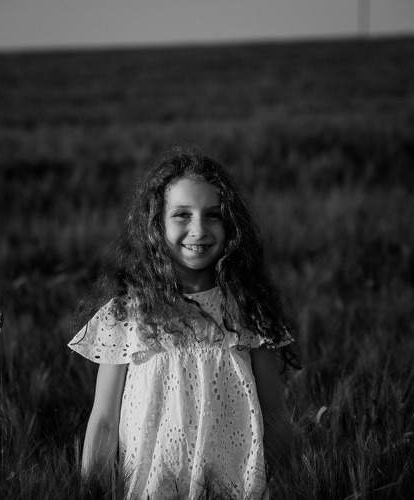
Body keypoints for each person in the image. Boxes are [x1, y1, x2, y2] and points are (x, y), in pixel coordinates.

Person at [67, 147, 301, 499]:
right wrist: (91, 493)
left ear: (231, 224)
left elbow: (276, 418)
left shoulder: (248, 311)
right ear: (156, 224)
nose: (198, 229)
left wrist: (295, 486)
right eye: (181, 215)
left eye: (213, 215)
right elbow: (104, 421)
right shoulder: (127, 314)